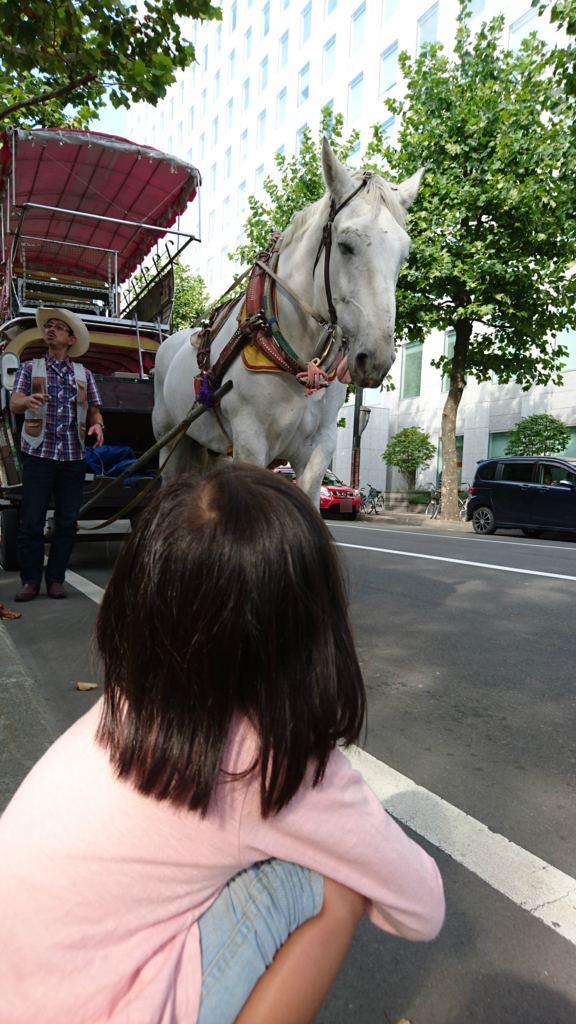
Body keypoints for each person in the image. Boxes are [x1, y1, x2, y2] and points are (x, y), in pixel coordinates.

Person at [0, 466, 445, 1024]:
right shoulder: (268, 761)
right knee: (332, 881)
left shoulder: (127, 703)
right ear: (310, 629)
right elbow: (422, 908)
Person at [9, 307, 104, 601]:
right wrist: (27, 400)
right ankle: (31, 581)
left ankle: (56, 580)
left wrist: (98, 426)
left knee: (66, 522)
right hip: (38, 454)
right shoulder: (28, 368)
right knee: (31, 521)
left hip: (73, 457)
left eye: (59, 327)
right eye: (48, 326)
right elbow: (14, 403)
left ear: (71, 339)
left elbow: (94, 411)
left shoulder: (84, 375)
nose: (51, 329)